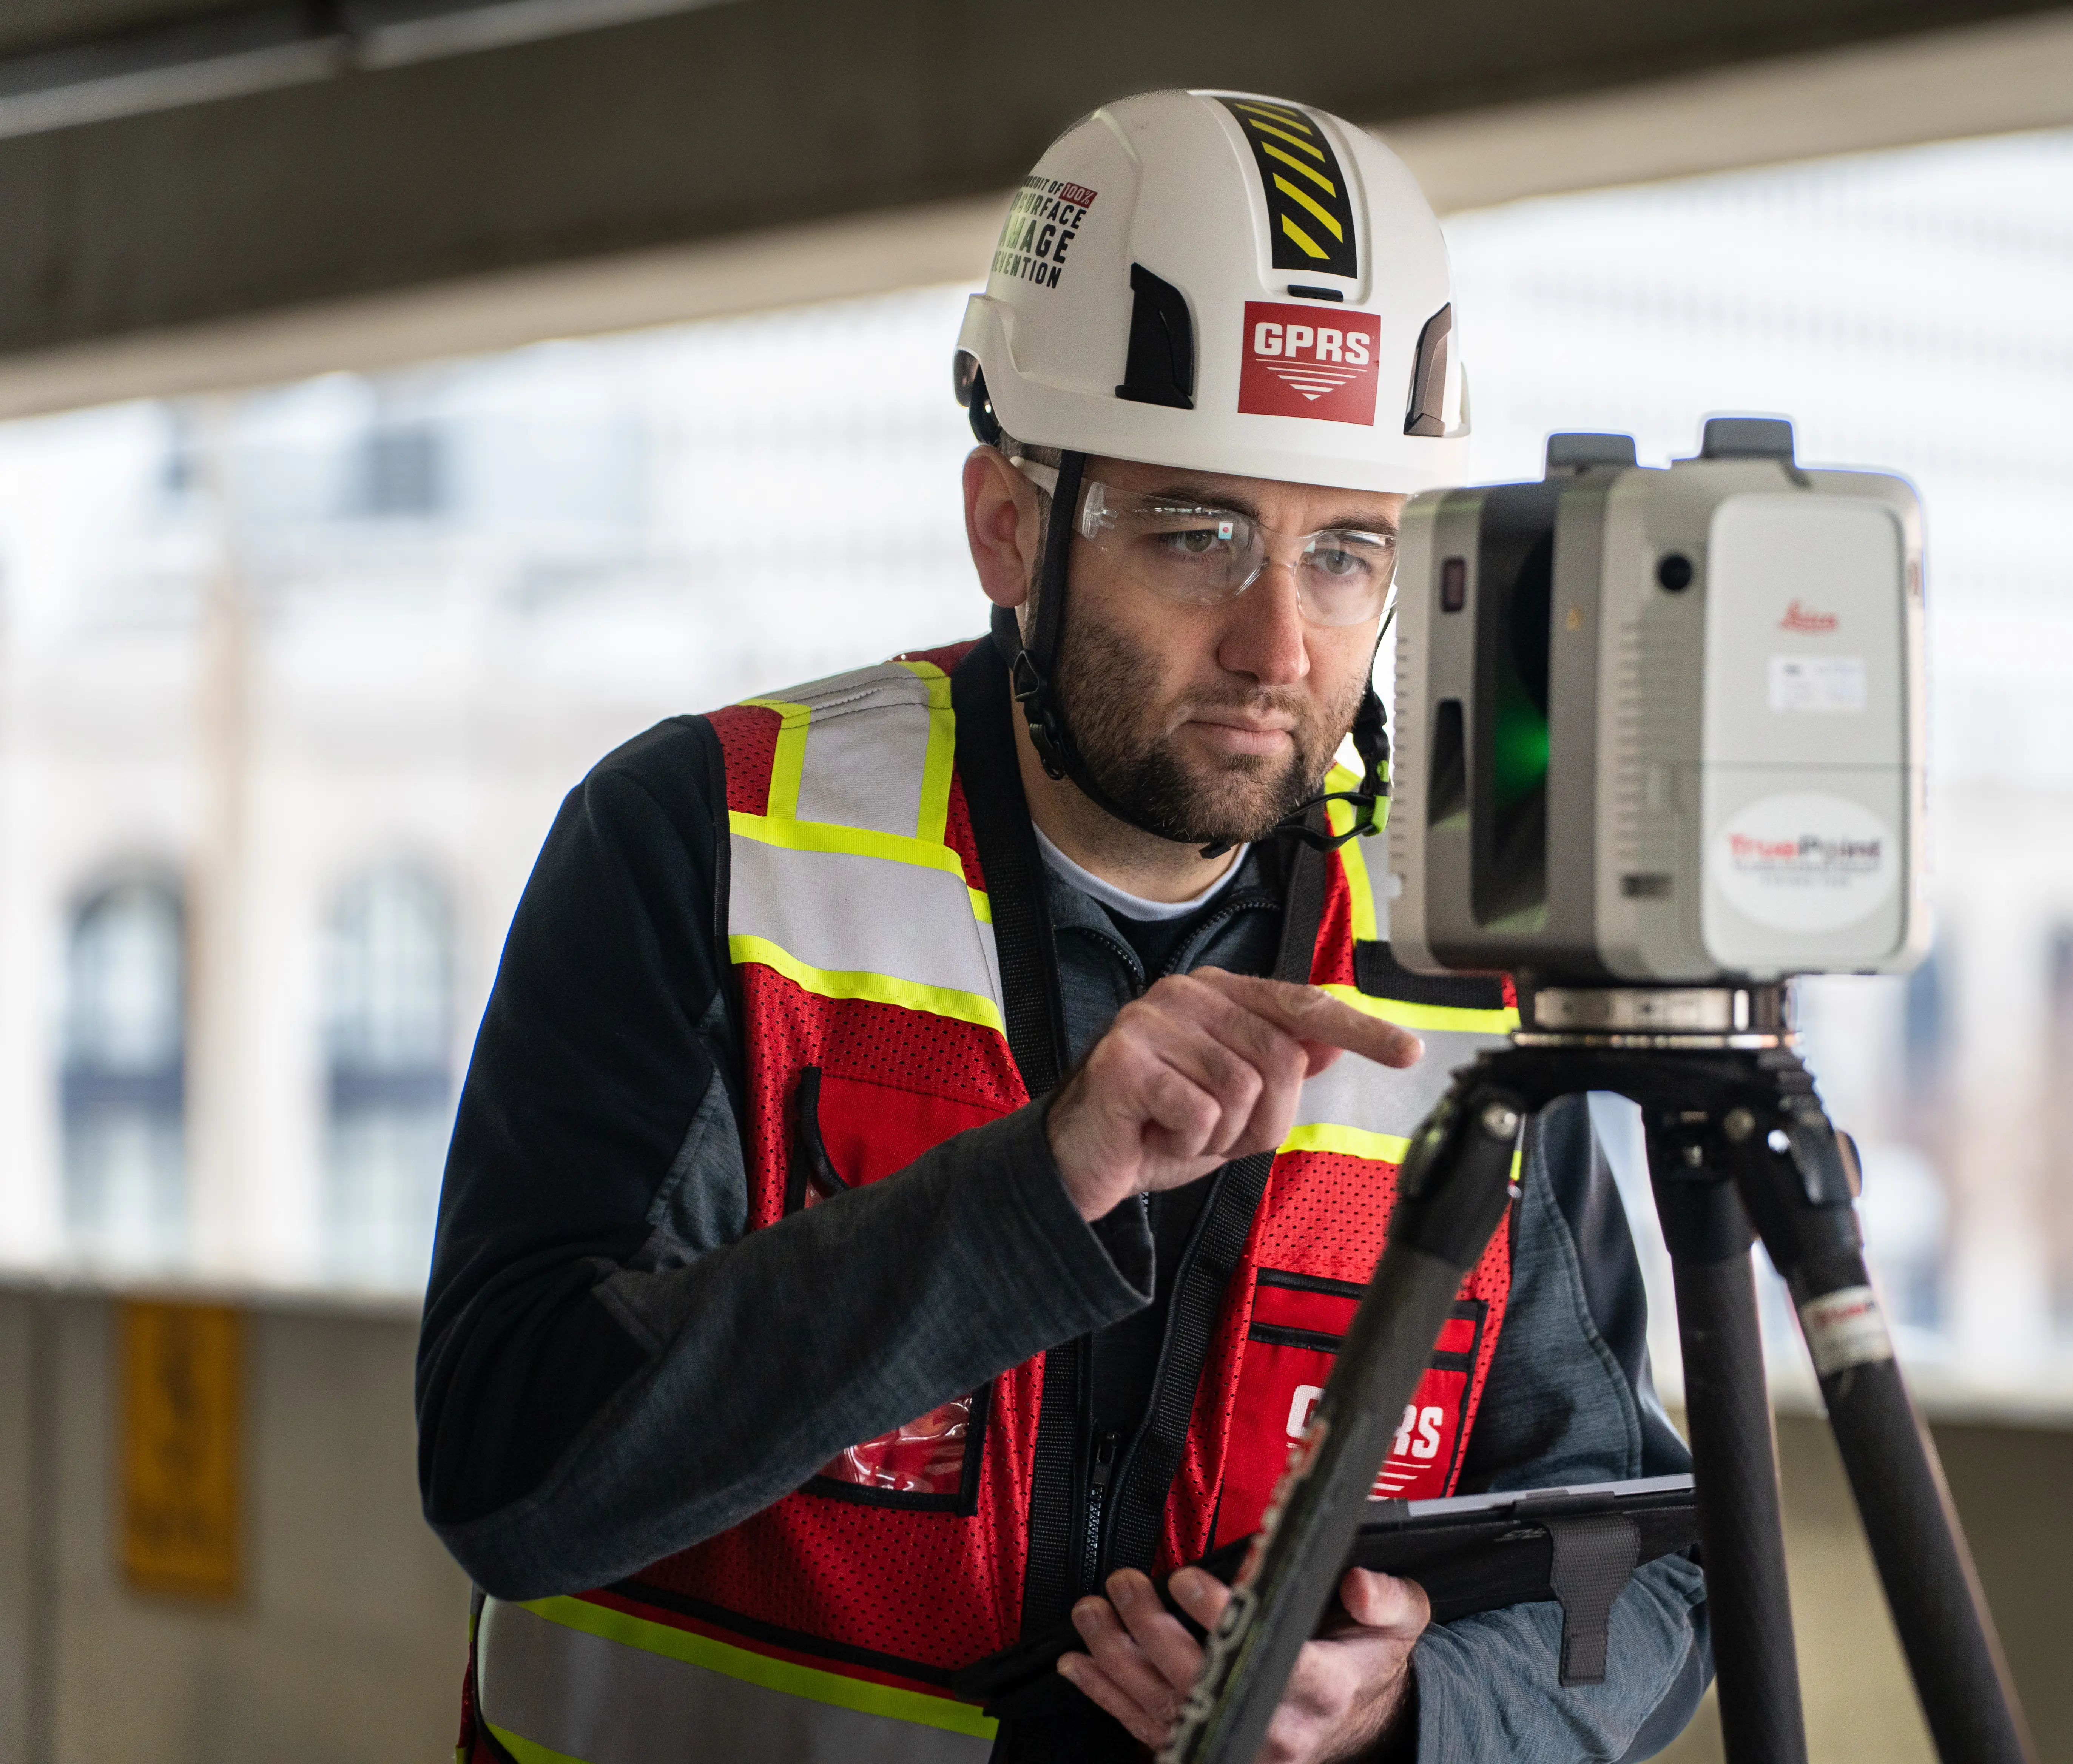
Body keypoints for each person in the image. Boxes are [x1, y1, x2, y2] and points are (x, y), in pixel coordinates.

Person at [417, 88, 1707, 1764]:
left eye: (1344, 555)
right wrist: (1046, 1185)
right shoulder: (707, 842)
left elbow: (1653, 1570)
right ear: (1009, 527)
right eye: (1199, 532)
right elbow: (514, 1475)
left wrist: (1403, 1710)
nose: (1278, 644)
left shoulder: (1470, 964)